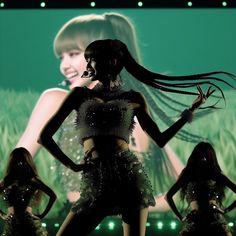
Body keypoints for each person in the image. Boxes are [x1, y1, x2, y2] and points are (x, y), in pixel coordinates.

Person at [37, 39, 230, 236]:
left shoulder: (133, 98)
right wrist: (73, 165)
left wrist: (189, 112)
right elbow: (44, 137)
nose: (87, 65)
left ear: (111, 61)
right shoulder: (79, 95)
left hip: (129, 179)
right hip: (96, 179)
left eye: (92, 59)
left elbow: (160, 139)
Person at [16, 12, 187, 207]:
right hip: (85, 210)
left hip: (124, 213)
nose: (64, 66)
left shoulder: (132, 108)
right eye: (61, 57)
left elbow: (184, 176)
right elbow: (20, 157)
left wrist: (151, 204)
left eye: (73, 54)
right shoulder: (57, 99)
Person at [165, 142, 236, 236]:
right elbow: (168, 196)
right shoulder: (188, 174)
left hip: (215, 222)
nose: (203, 159)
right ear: (196, 157)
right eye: (201, 156)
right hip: (195, 222)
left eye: (206, 156)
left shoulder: (215, 174)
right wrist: (180, 217)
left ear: (211, 158)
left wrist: (225, 210)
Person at [0, 147, 57, 236]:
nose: (20, 164)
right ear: (12, 163)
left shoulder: (33, 181)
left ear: (28, 162)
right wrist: (2, 215)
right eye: (17, 161)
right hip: (11, 227)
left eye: (23, 161)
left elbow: (53, 196)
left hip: (29, 226)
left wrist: (42, 215)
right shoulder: (7, 181)